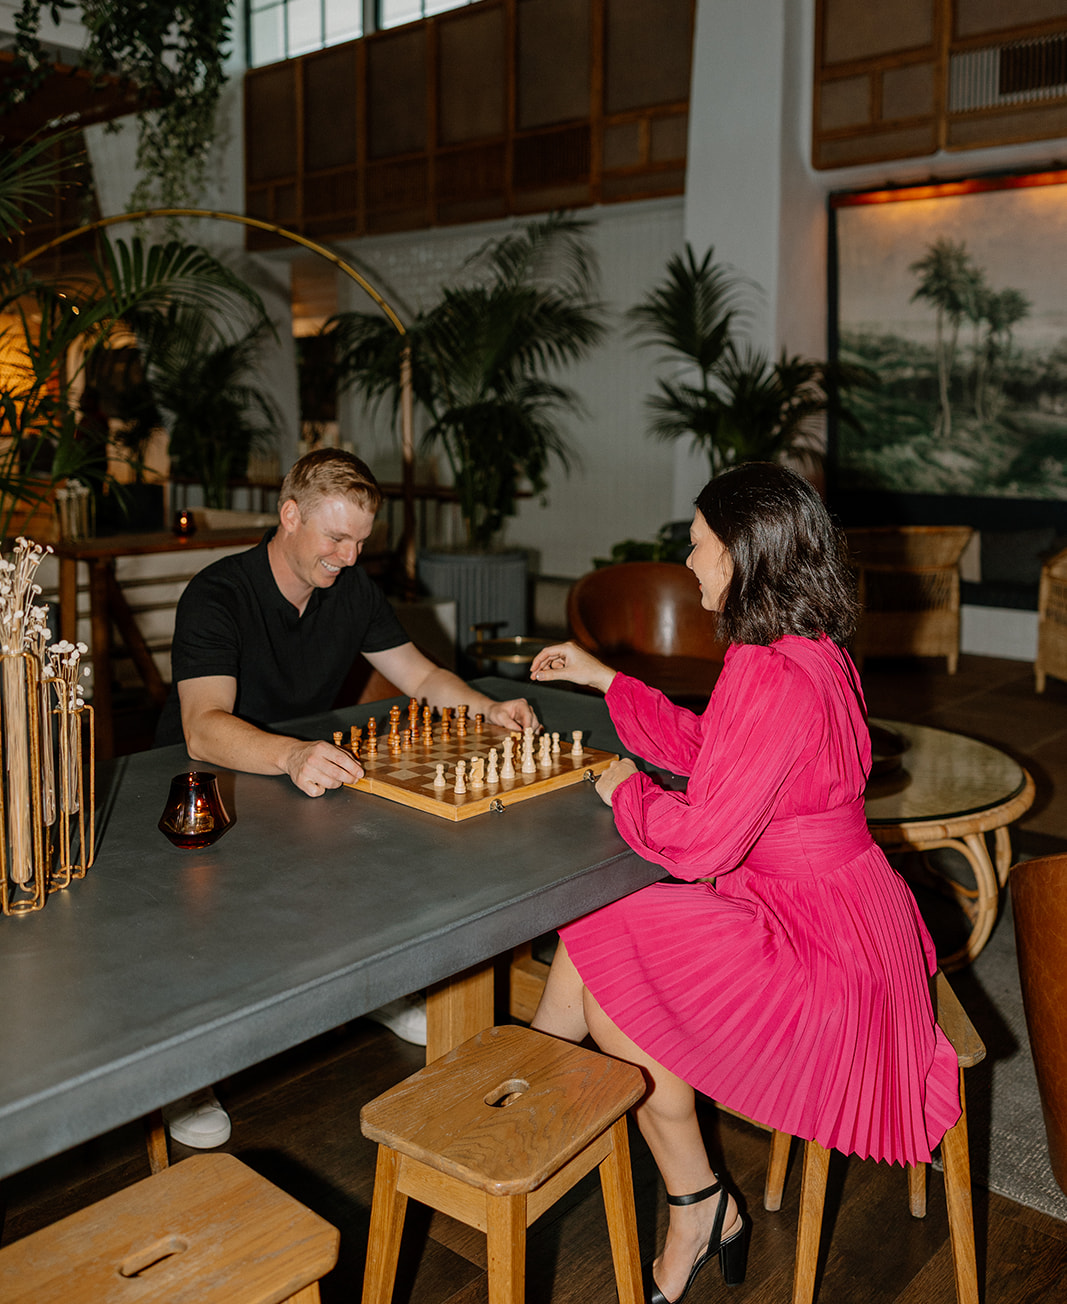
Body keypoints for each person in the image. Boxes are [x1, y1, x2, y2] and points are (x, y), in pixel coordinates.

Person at [528, 463, 960, 1304]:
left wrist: (625, 790)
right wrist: (608, 681)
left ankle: (663, 1185)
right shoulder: (814, 651)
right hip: (860, 920)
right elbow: (723, 757)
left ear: (740, 555)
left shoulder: (768, 668)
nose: (687, 563)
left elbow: (697, 843)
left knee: (611, 954)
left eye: (696, 546)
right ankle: (559, 1108)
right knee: (606, 951)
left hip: (823, 956)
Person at [154, 447, 536, 1148]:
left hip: (296, 765)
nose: (349, 557)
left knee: (366, 856)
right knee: (205, 927)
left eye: (360, 542)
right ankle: (185, 1073)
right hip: (203, 786)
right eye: (336, 538)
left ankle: (377, 992)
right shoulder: (217, 594)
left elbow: (421, 675)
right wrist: (290, 754)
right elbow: (202, 730)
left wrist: (486, 708)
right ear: (289, 514)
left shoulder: (350, 591)